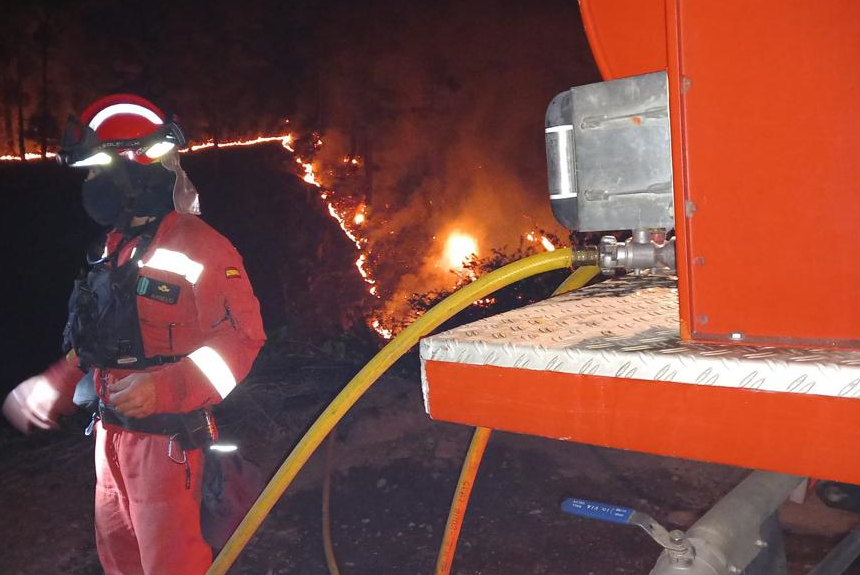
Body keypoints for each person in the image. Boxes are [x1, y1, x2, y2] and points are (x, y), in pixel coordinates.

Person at [1, 94, 266, 575]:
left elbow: (243, 339)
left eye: (99, 171)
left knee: (171, 566)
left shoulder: (201, 245)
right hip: (109, 440)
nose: (91, 184)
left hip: (168, 447)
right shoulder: (110, 248)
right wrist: (56, 381)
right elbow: (97, 334)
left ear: (134, 172)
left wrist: (165, 386)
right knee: (120, 561)